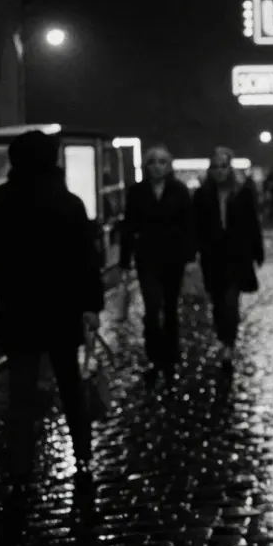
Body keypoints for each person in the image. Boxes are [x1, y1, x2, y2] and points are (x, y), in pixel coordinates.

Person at [0, 130, 104, 485]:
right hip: (61, 309)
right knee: (70, 385)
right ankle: (82, 453)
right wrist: (91, 305)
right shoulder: (68, 203)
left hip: (19, 309)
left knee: (21, 391)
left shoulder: (0, 202)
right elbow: (86, 261)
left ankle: (20, 463)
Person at [118, 144, 195, 386]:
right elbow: (129, 226)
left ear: (169, 165)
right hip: (148, 257)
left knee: (170, 309)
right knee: (152, 308)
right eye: (152, 162)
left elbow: (188, 225)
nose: (157, 167)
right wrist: (124, 259)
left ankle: (170, 359)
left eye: (162, 162)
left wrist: (189, 255)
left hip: (173, 258)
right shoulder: (137, 192)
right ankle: (154, 358)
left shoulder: (179, 191)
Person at [193, 147, 264, 360]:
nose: (219, 171)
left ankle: (229, 342)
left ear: (230, 168)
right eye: (215, 166)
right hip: (212, 257)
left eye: (223, 166)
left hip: (237, 255)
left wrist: (256, 251)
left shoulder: (242, 192)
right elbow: (195, 225)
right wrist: (195, 250)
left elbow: (252, 223)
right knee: (217, 302)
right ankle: (223, 337)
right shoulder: (201, 194)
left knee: (231, 301)